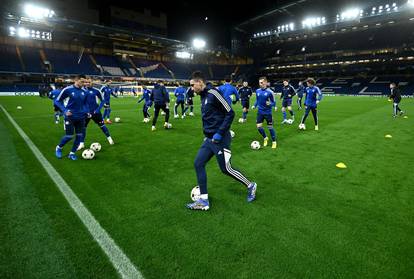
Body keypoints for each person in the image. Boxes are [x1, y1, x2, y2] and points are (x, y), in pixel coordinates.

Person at [186, 71, 257, 211]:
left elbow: (230, 113)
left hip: (220, 138)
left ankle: (250, 185)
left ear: (200, 82)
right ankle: (203, 200)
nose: (191, 88)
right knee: (198, 163)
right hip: (209, 139)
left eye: (193, 85)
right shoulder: (203, 96)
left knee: (226, 169)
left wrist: (219, 133)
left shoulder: (213, 93)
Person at [54, 75, 88, 160]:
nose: (84, 83)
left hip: (81, 117)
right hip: (70, 117)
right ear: (76, 80)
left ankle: (72, 153)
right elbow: (57, 101)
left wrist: (87, 111)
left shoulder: (84, 91)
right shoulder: (68, 89)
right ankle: (59, 148)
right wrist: (65, 111)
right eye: (82, 81)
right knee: (69, 136)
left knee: (79, 136)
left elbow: (85, 103)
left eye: (84, 82)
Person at [77, 78, 114, 150]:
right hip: (86, 113)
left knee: (102, 125)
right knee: (83, 128)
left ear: (92, 83)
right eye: (86, 82)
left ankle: (109, 138)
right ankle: (81, 144)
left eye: (89, 82)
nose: (87, 83)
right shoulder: (82, 91)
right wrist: (85, 111)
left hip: (96, 113)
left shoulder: (97, 91)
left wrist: (97, 110)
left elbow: (103, 101)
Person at [253, 77, 277, 149]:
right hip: (260, 112)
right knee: (259, 127)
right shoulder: (257, 91)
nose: (260, 84)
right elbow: (257, 100)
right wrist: (254, 105)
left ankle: (274, 141)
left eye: (261, 82)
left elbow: (274, 103)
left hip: (267, 113)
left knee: (270, 127)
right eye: (259, 82)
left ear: (265, 83)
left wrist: (270, 104)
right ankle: (265, 137)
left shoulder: (270, 92)